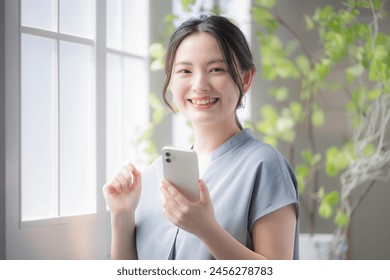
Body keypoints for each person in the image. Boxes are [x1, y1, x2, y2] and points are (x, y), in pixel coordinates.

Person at [103, 14, 299, 260]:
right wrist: (121, 215)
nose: (200, 84)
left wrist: (207, 230)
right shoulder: (155, 175)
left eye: (216, 69)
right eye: (185, 70)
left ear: (246, 79)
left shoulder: (265, 165)